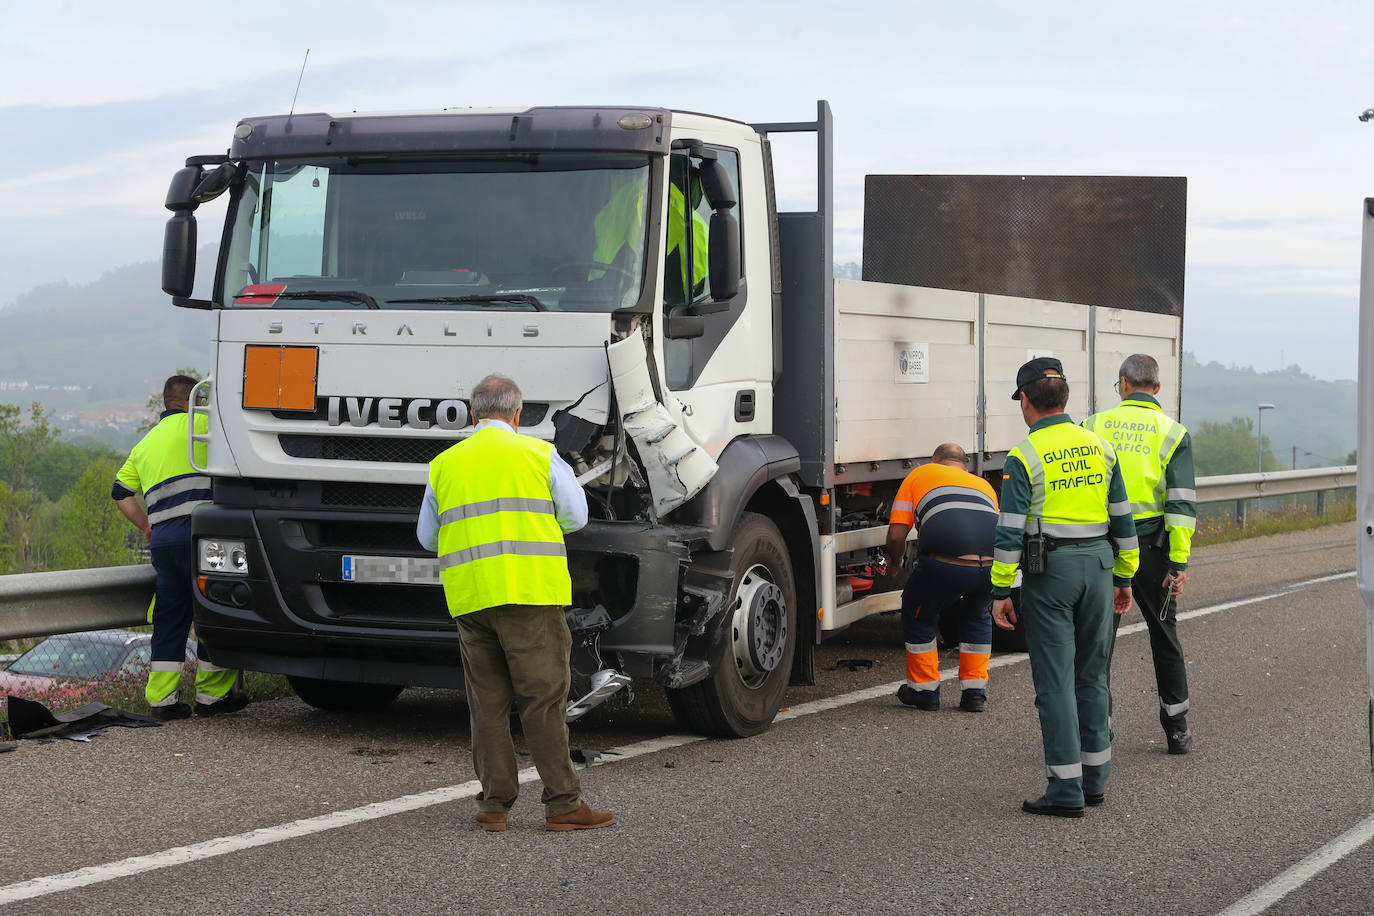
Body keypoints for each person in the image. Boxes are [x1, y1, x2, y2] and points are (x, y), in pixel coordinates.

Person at [416, 373, 614, 833]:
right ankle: (564, 804)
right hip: (530, 594)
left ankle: (493, 805)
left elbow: (428, 538)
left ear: (472, 414)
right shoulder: (539, 454)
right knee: (542, 702)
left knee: (486, 705)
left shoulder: (445, 464)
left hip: (471, 597)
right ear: (517, 414)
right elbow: (576, 516)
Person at [990, 357, 1138, 818]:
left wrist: (1000, 590)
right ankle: (1095, 782)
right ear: (1067, 398)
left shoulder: (1024, 456)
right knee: (1092, 676)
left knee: (1054, 681)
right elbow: (1122, 517)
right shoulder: (1101, 447)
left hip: (1050, 573)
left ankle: (1065, 790)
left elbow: (1010, 529)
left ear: (1027, 401)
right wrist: (1124, 575)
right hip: (1098, 564)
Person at [112, 375, 245, 720]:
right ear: (192, 400)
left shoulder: (144, 444)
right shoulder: (206, 426)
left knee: (169, 618)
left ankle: (162, 701)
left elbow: (120, 493)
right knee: (217, 609)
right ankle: (211, 697)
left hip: (165, 541)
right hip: (206, 537)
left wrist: (146, 526)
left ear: (166, 403)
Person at [1083, 354, 1196, 755]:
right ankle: (1176, 728)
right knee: (1164, 636)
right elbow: (1180, 506)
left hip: (1102, 546)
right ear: (1158, 388)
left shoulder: (1093, 425)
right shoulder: (1173, 432)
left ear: (1123, 384)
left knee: (1098, 640)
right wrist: (1178, 562)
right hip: (1151, 548)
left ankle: (1099, 727)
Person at [883, 442, 999, 712]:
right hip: (990, 566)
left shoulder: (919, 475)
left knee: (918, 611)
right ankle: (974, 693)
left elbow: (896, 535)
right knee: (976, 615)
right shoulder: (983, 485)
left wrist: (896, 561)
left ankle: (925, 691)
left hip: (943, 564)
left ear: (934, 460)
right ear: (964, 465)